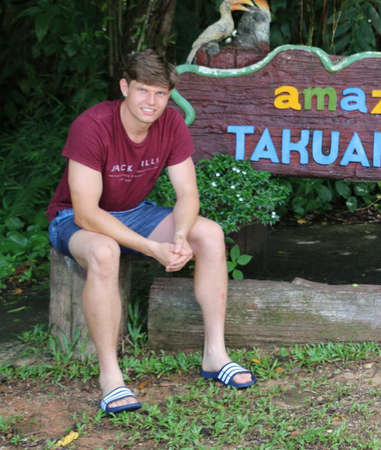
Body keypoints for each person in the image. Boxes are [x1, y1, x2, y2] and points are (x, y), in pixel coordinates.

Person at [46, 50, 257, 415]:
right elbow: (86, 211)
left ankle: (215, 355)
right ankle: (111, 378)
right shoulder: (92, 125)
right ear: (125, 87)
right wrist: (150, 247)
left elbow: (188, 194)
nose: (152, 102)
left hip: (134, 213)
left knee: (209, 234)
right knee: (104, 252)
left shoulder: (172, 123)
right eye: (144, 90)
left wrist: (180, 235)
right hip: (74, 219)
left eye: (161, 93)